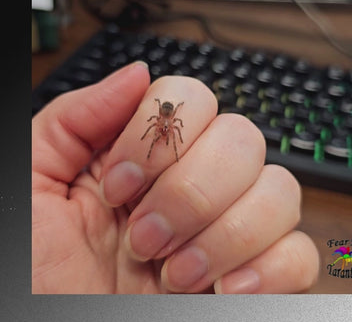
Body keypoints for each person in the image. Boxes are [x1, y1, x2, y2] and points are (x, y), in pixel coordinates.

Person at [32, 61, 319, 294]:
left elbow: (173, 123)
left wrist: (174, 146)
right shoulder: (158, 120)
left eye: (165, 127)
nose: (163, 129)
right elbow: (156, 123)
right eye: (162, 125)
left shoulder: (171, 121)